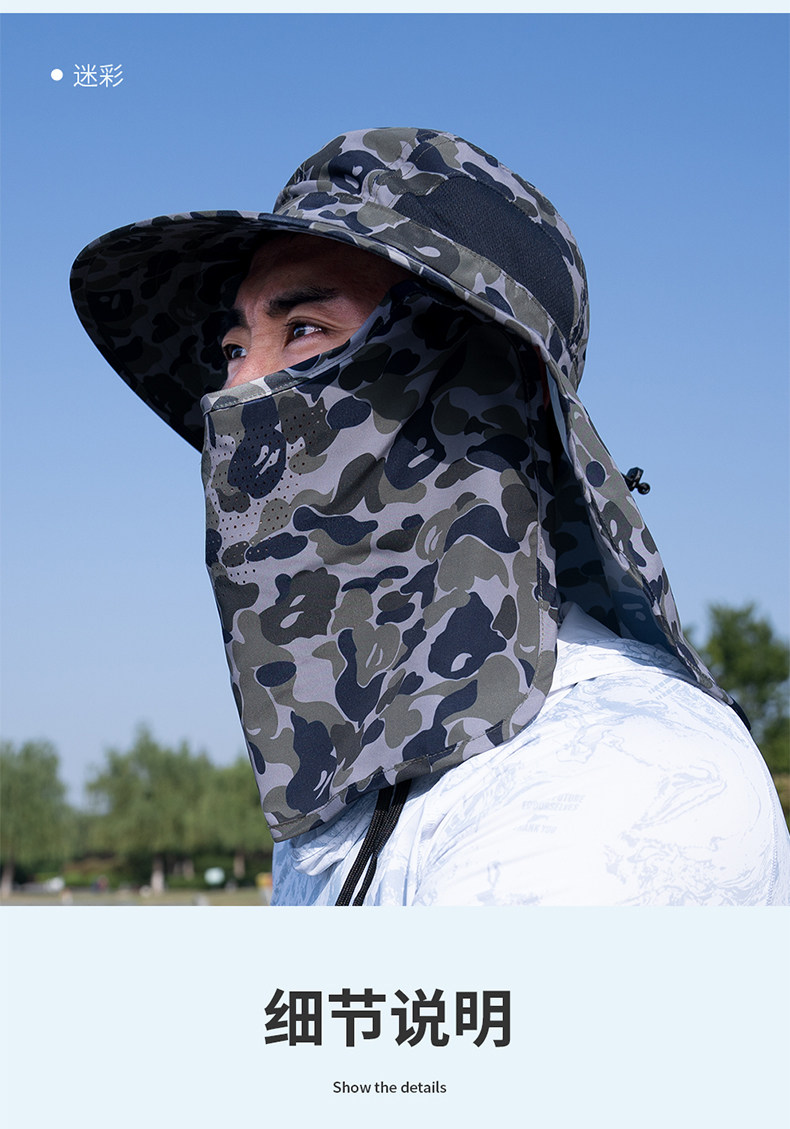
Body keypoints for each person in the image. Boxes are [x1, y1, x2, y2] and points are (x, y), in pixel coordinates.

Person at [70, 127, 790, 906]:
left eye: (304, 329)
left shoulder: (626, 776)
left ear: (471, 379)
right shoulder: (353, 781)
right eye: (236, 344)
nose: (234, 393)